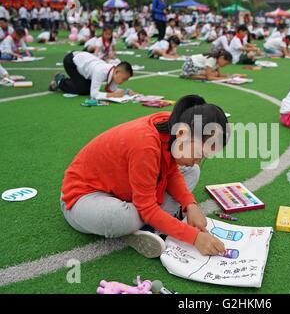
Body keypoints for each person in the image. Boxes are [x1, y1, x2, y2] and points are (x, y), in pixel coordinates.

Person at [60, 95, 230, 258]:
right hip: (83, 199)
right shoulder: (145, 145)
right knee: (124, 218)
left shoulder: (173, 124)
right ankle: (144, 225)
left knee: (192, 172)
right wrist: (194, 238)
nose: (197, 161)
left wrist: (190, 205)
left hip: (126, 189)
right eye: (199, 153)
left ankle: (149, 223)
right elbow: (147, 207)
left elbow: (171, 171)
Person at [48, 51, 135, 100]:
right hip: (71, 61)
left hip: (83, 62)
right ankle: (60, 80)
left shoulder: (114, 72)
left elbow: (112, 89)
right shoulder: (101, 71)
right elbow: (93, 95)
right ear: (117, 72)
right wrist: (113, 96)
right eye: (123, 79)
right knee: (83, 89)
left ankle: (69, 81)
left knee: (87, 86)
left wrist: (127, 91)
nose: (123, 82)